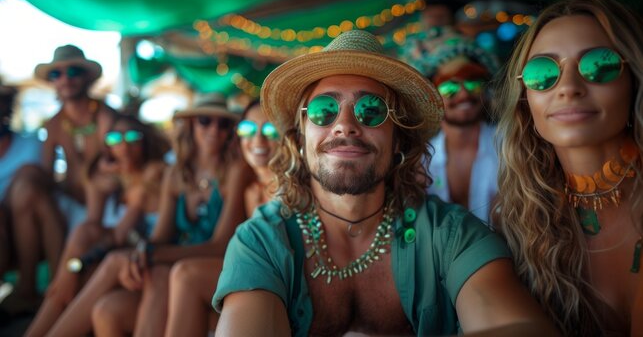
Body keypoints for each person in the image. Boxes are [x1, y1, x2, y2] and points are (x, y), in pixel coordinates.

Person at [213, 30, 557, 336]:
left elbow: (520, 327)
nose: (344, 125)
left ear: (398, 142)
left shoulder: (451, 236)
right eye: (323, 111)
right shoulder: (262, 241)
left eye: (372, 110)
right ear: (300, 137)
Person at [38, 94, 250, 337]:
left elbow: (221, 245)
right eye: (205, 121)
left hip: (207, 270)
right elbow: (160, 236)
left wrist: (154, 254)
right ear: (191, 125)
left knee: (132, 265)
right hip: (171, 267)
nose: (214, 129)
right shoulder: (176, 174)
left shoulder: (235, 170)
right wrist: (143, 253)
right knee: (108, 308)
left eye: (223, 124)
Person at [493, 0, 643, 336]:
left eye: (599, 65)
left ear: (633, 78)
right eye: (543, 72)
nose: (569, 88)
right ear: (524, 98)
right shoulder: (514, 225)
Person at [26, 114, 169, 337]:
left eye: (132, 136)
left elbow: (120, 235)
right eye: (114, 139)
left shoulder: (153, 174)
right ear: (106, 146)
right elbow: (92, 222)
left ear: (145, 141)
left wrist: (74, 266)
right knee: (83, 236)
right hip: (111, 256)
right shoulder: (109, 178)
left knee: (72, 275)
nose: (123, 144)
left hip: (142, 259)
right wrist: (97, 182)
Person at [164, 99, 279, 337]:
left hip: (280, 281)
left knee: (186, 275)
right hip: (251, 275)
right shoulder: (250, 187)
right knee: (112, 308)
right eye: (248, 130)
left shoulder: (295, 187)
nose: (258, 140)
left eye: (271, 130)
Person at [401, 26, 500, 223]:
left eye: (473, 83)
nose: (464, 94)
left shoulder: (514, 146)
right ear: (430, 97)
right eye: (449, 87)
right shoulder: (419, 162)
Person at [36, 44, 118, 227]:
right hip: (70, 204)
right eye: (56, 74)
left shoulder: (105, 116)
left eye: (73, 72)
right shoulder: (54, 124)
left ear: (87, 77)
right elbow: (47, 175)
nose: (65, 79)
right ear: (52, 81)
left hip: (109, 205)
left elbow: (114, 164)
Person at [0, 82, 60, 315]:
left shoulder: (32, 146)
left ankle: (33, 290)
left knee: (28, 186)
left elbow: (49, 187)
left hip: (26, 226)